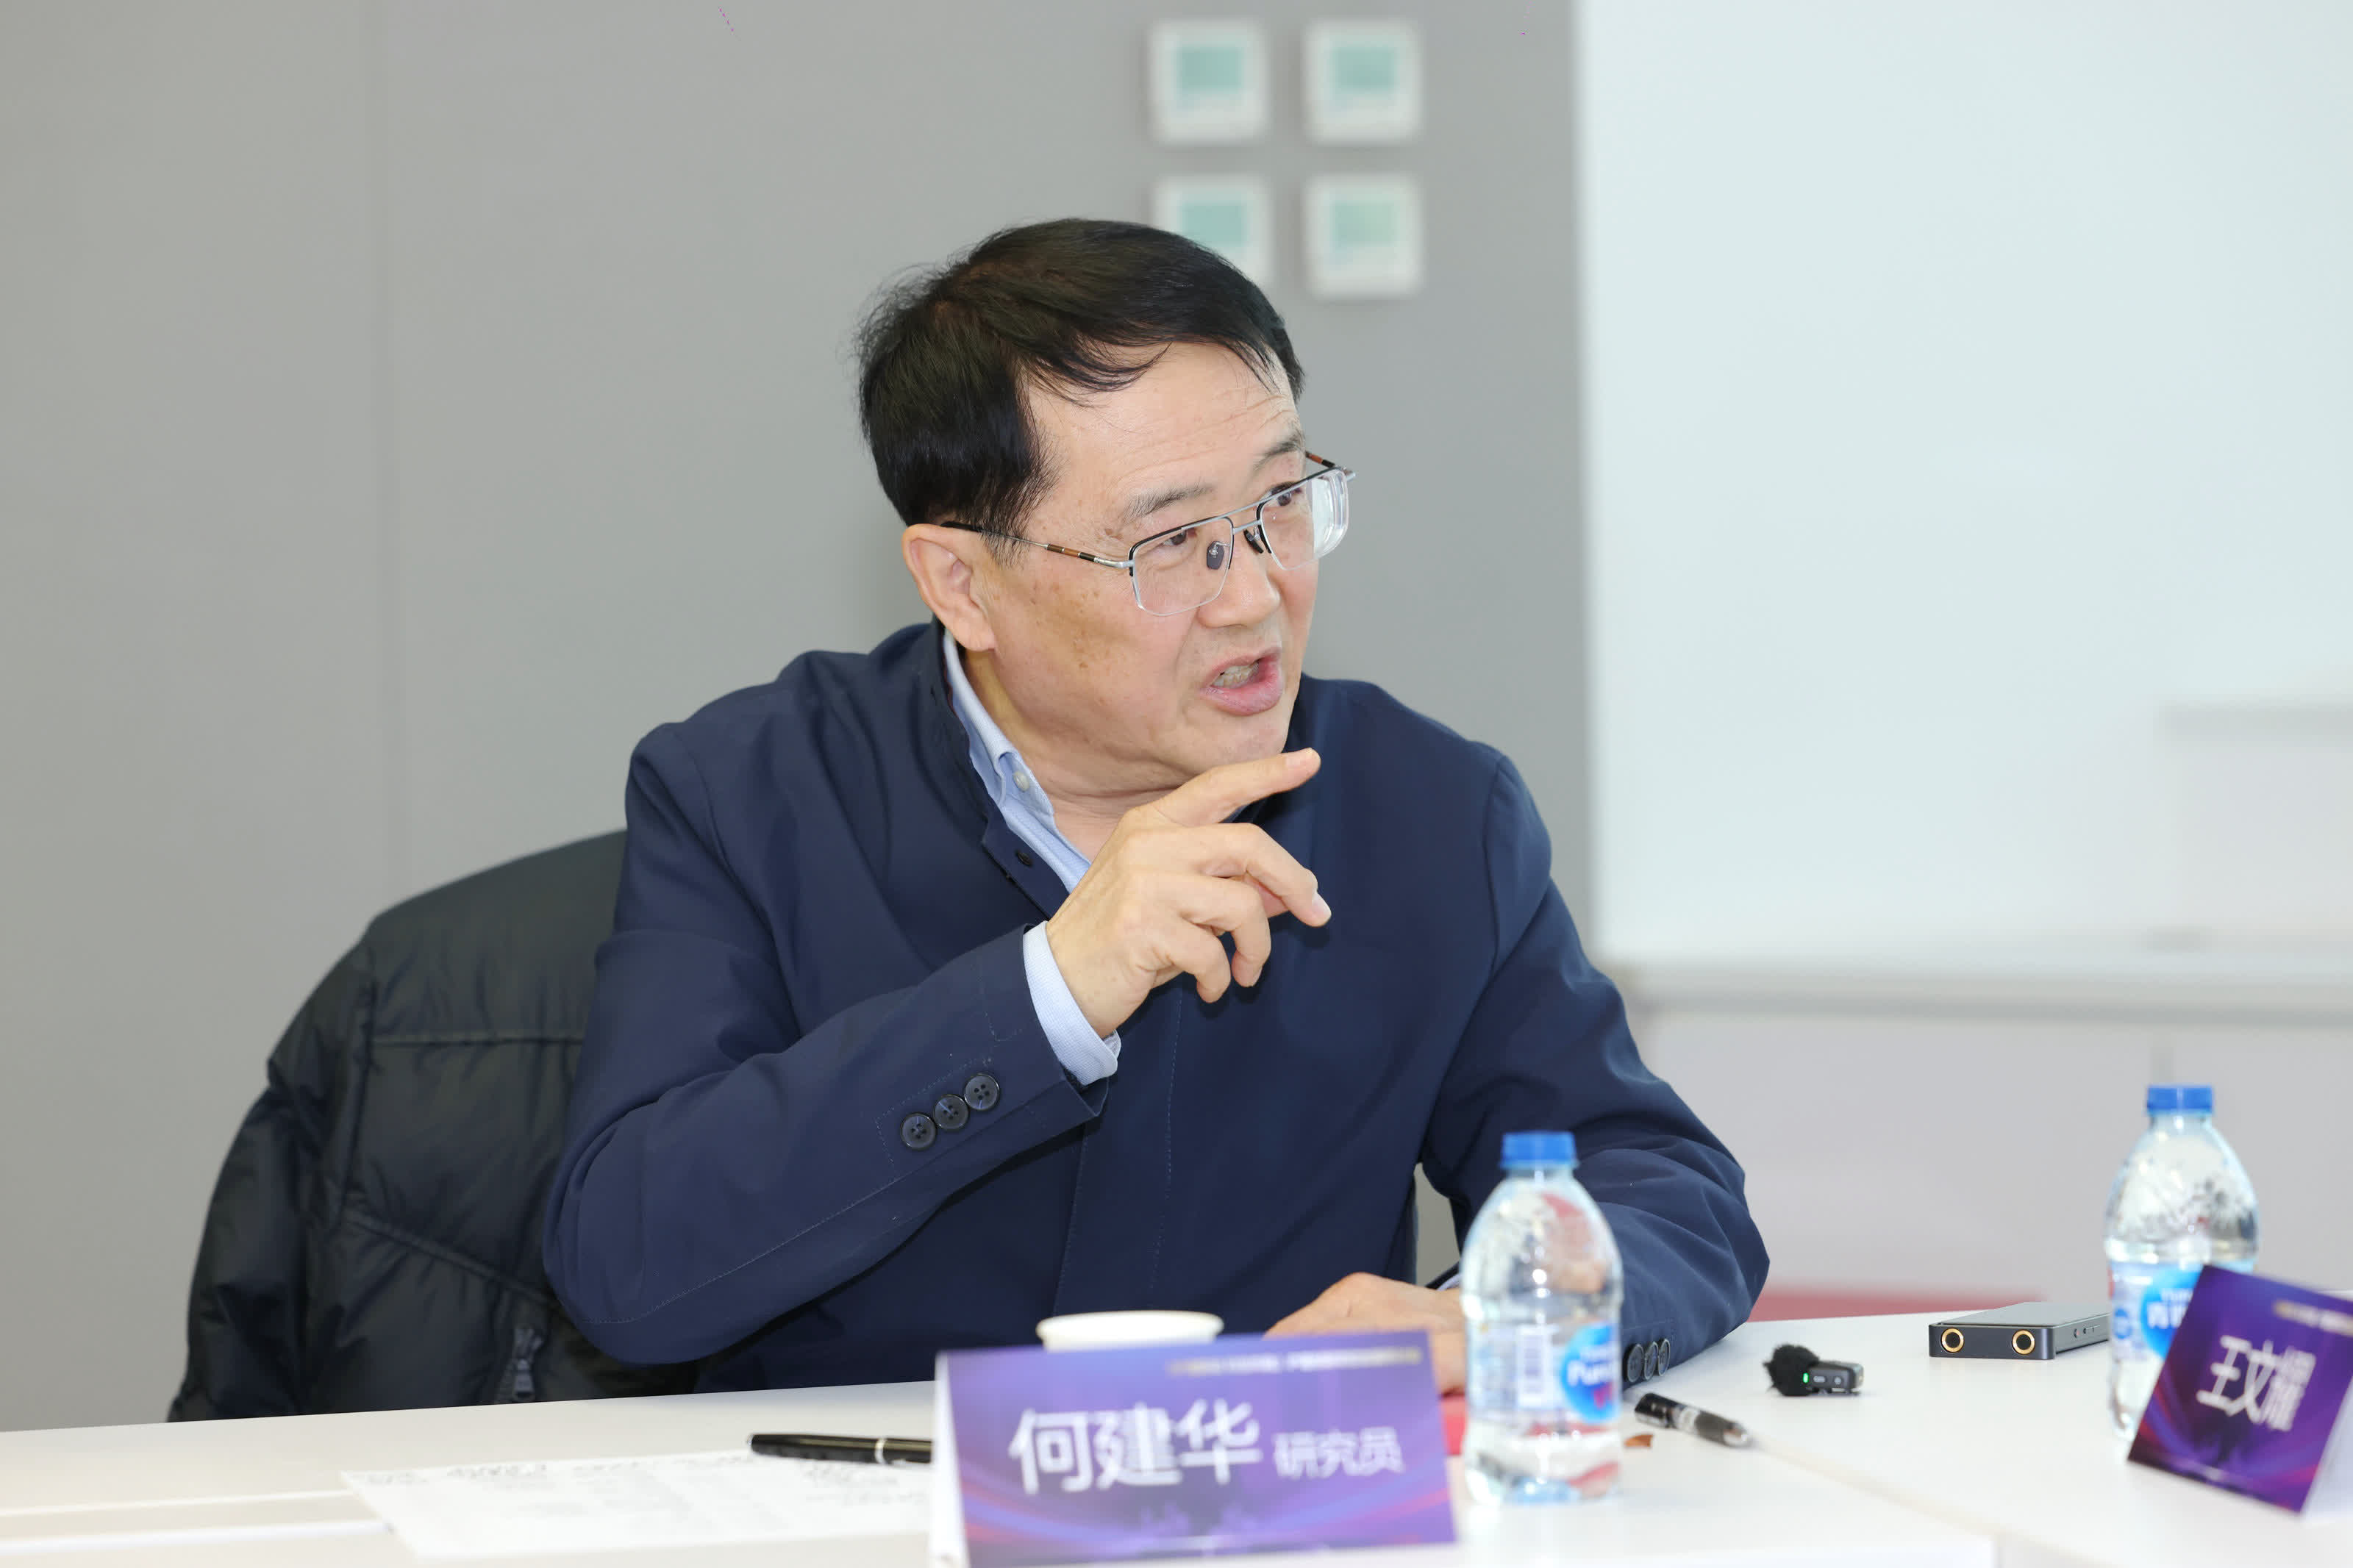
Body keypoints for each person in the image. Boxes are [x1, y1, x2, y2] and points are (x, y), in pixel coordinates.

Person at [542, 218, 1766, 1394]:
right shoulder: (749, 794)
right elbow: (627, 1258)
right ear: (961, 582)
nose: (1255, 596)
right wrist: (1045, 994)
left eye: (1281, 502)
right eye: (1170, 543)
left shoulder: (1429, 812)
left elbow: (1662, 1189)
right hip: (876, 1501)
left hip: (1274, 1497)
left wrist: (1506, 1318)